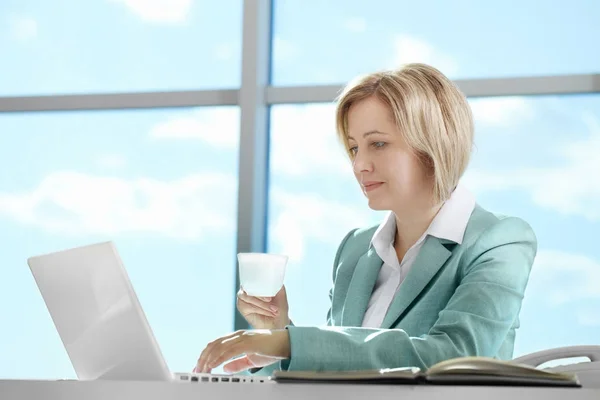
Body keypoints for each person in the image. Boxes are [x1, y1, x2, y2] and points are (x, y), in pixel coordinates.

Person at [194, 63, 537, 375]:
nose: (359, 165)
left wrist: (289, 343)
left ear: (433, 143)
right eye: (355, 148)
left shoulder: (500, 241)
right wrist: (277, 331)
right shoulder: (357, 248)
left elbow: (453, 357)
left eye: (378, 144)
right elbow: (333, 371)